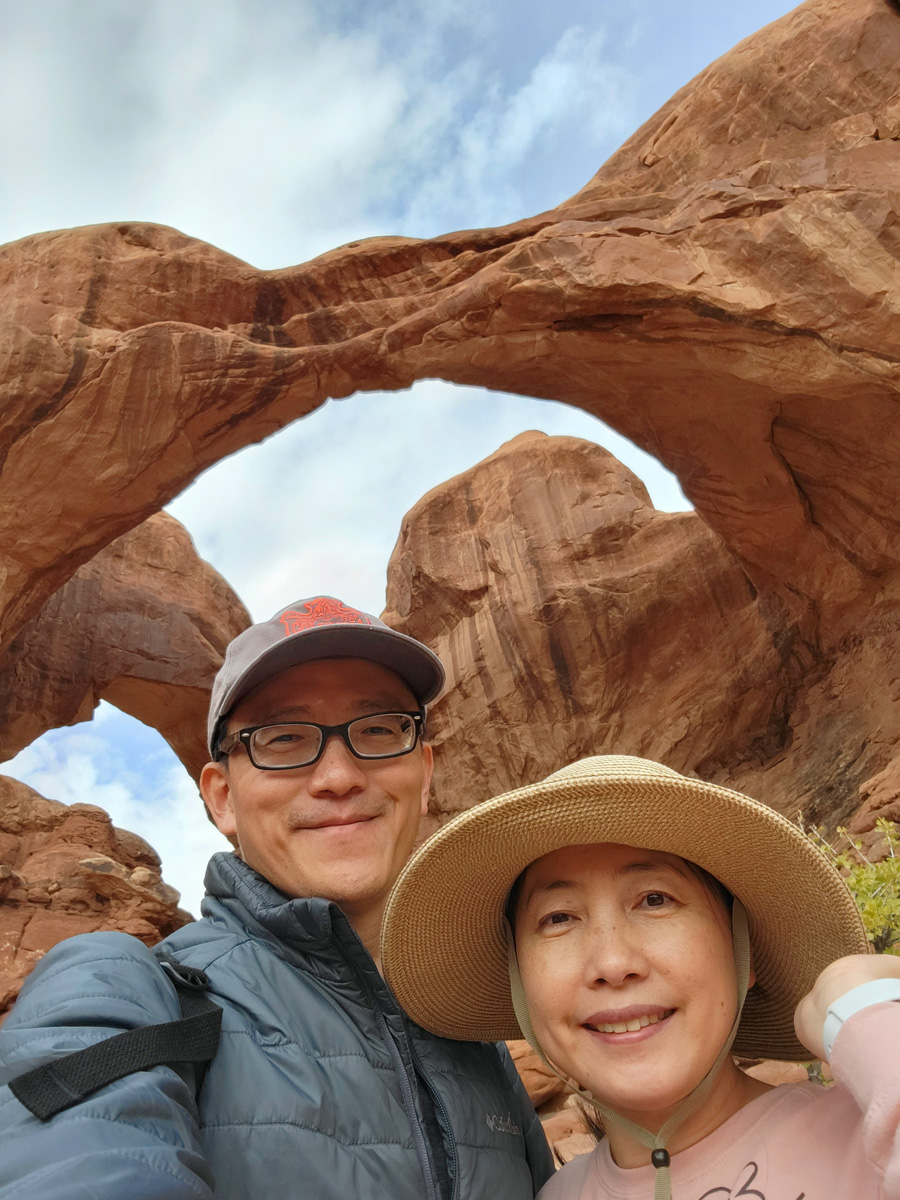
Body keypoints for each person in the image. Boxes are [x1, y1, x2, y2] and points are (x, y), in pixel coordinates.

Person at [0, 596, 553, 1200]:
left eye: (377, 729)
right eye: (283, 738)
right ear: (222, 799)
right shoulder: (128, 989)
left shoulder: (473, 1037)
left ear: (424, 774)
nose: (338, 777)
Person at [382, 754, 900, 1200]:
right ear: (520, 985)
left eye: (655, 899)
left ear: (744, 951)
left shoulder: (865, 1143)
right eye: (558, 918)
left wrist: (863, 1009)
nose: (612, 963)